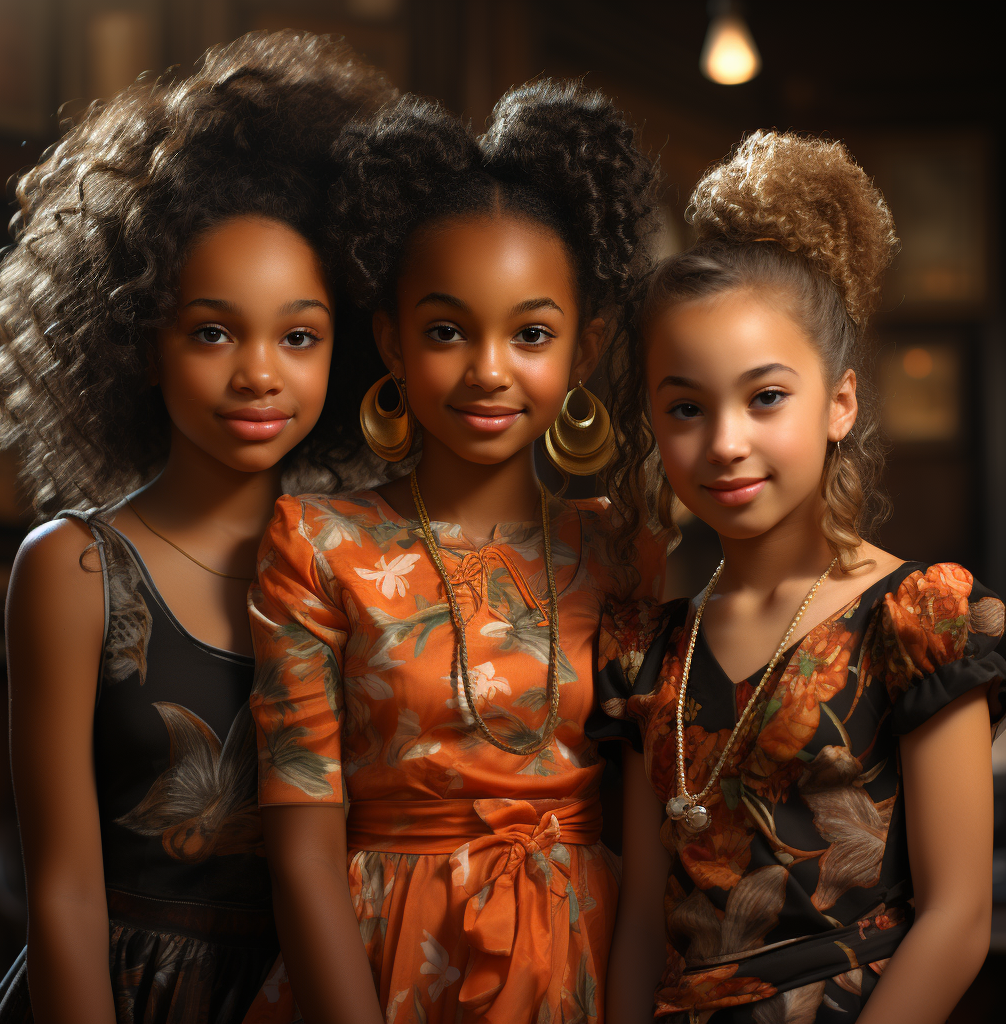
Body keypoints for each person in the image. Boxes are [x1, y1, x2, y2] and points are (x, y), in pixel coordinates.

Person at [0, 31, 393, 1024]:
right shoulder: (74, 569)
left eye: (298, 335)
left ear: (342, 352)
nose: (258, 372)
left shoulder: (366, 565)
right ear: (136, 337)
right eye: (213, 330)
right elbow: (64, 896)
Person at [242, 82, 666, 1024]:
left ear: (583, 349)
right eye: (446, 330)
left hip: (580, 965)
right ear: (391, 339)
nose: (487, 368)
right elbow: (303, 853)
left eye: (531, 334)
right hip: (384, 962)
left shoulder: (625, 549)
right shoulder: (317, 542)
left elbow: (648, 851)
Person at [595, 131, 1005, 1024]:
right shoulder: (645, 649)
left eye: (766, 396)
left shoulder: (914, 615)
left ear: (841, 402)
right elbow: (637, 922)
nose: (726, 441)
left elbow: (959, 918)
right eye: (686, 408)